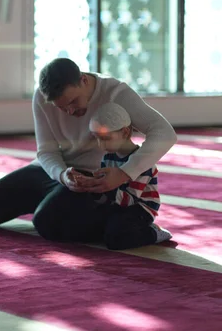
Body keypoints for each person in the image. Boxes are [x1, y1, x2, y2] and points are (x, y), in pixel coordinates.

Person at [0, 58, 177, 244]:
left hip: (92, 179)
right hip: (55, 172)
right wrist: (61, 175)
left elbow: (164, 133)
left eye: (73, 102)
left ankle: (132, 228)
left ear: (84, 81)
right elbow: (46, 151)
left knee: (46, 225)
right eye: (62, 107)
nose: (69, 111)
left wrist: (124, 173)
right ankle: (57, 204)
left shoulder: (116, 92)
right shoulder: (42, 97)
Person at [70, 102, 172, 249]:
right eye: (96, 138)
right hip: (117, 204)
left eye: (105, 138)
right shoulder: (108, 157)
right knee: (82, 229)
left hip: (140, 208)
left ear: (125, 132)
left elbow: (131, 199)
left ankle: (153, 233)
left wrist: (104, 188)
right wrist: (90, 185)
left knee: (116, 239)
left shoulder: (143, 161)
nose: (100, 145)